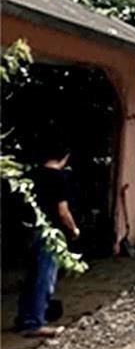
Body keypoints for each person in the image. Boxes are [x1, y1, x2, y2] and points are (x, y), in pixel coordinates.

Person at [16, 142, 80, 338]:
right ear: (65, 157)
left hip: (29, 230)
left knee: (32, 276)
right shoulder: (59, 178)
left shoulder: (31, 176)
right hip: (49, 234)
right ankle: (35, 323)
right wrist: (73, 229)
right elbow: (63, 212)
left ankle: (25, 318)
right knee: (44, 277)